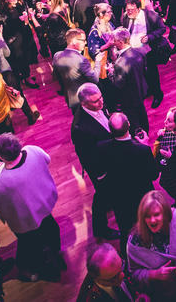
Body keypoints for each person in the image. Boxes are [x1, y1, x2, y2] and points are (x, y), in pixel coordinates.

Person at [0, 133, 64, 282]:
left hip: (25, 219)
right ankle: (55, 254)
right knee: (51, 230)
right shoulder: (32, 150)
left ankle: (30, 269)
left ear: (0, 155)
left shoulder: (3, 180)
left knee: (28, 245)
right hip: (44, 204)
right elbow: (47, 159)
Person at [95, 113, 160, 243]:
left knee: (126, 230)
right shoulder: (142, 151)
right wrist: (145, 145)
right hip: (142, 197)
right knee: (148, 227)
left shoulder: (101, 147)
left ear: (110, 130)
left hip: (119, 198)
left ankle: (127, 256)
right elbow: (154, 175)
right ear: (129, 125)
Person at [126, 190, 176, 297]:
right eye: (147, 216)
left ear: (165, 213)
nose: (152, 220)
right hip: (163, 294)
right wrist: (154, 274)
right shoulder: (135, 241)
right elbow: (134, 273)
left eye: (156, 214)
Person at [70, 83, 120, 241]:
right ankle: (101, 229)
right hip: (101, 168)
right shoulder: (79, 127)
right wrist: (101, 174)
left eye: (101, 98)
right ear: (84, 104)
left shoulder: (99, 106)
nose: (101, 103)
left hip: (110, 157)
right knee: (101, 197)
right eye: (95, 101)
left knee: (108, 195)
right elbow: (86, 156)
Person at [107, 27, 150, 132]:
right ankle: (146, 132)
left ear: (120, 42)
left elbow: (118, 84)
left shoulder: (120, 62)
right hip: (141, 90)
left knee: (133, 121)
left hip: (128, 98)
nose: (112, 42)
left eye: (114, 40)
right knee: (142, 114)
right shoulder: (139, 52)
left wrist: (111, 73)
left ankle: (139, 138)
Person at [52, 28, 98, 113]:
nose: (86, 43)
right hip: (85, 100)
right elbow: (95, 79)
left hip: (70, 99)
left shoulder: (56, 56)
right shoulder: (81, 60)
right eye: (83, 40)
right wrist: (98, 62)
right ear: (73, 41)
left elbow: (56, 76)